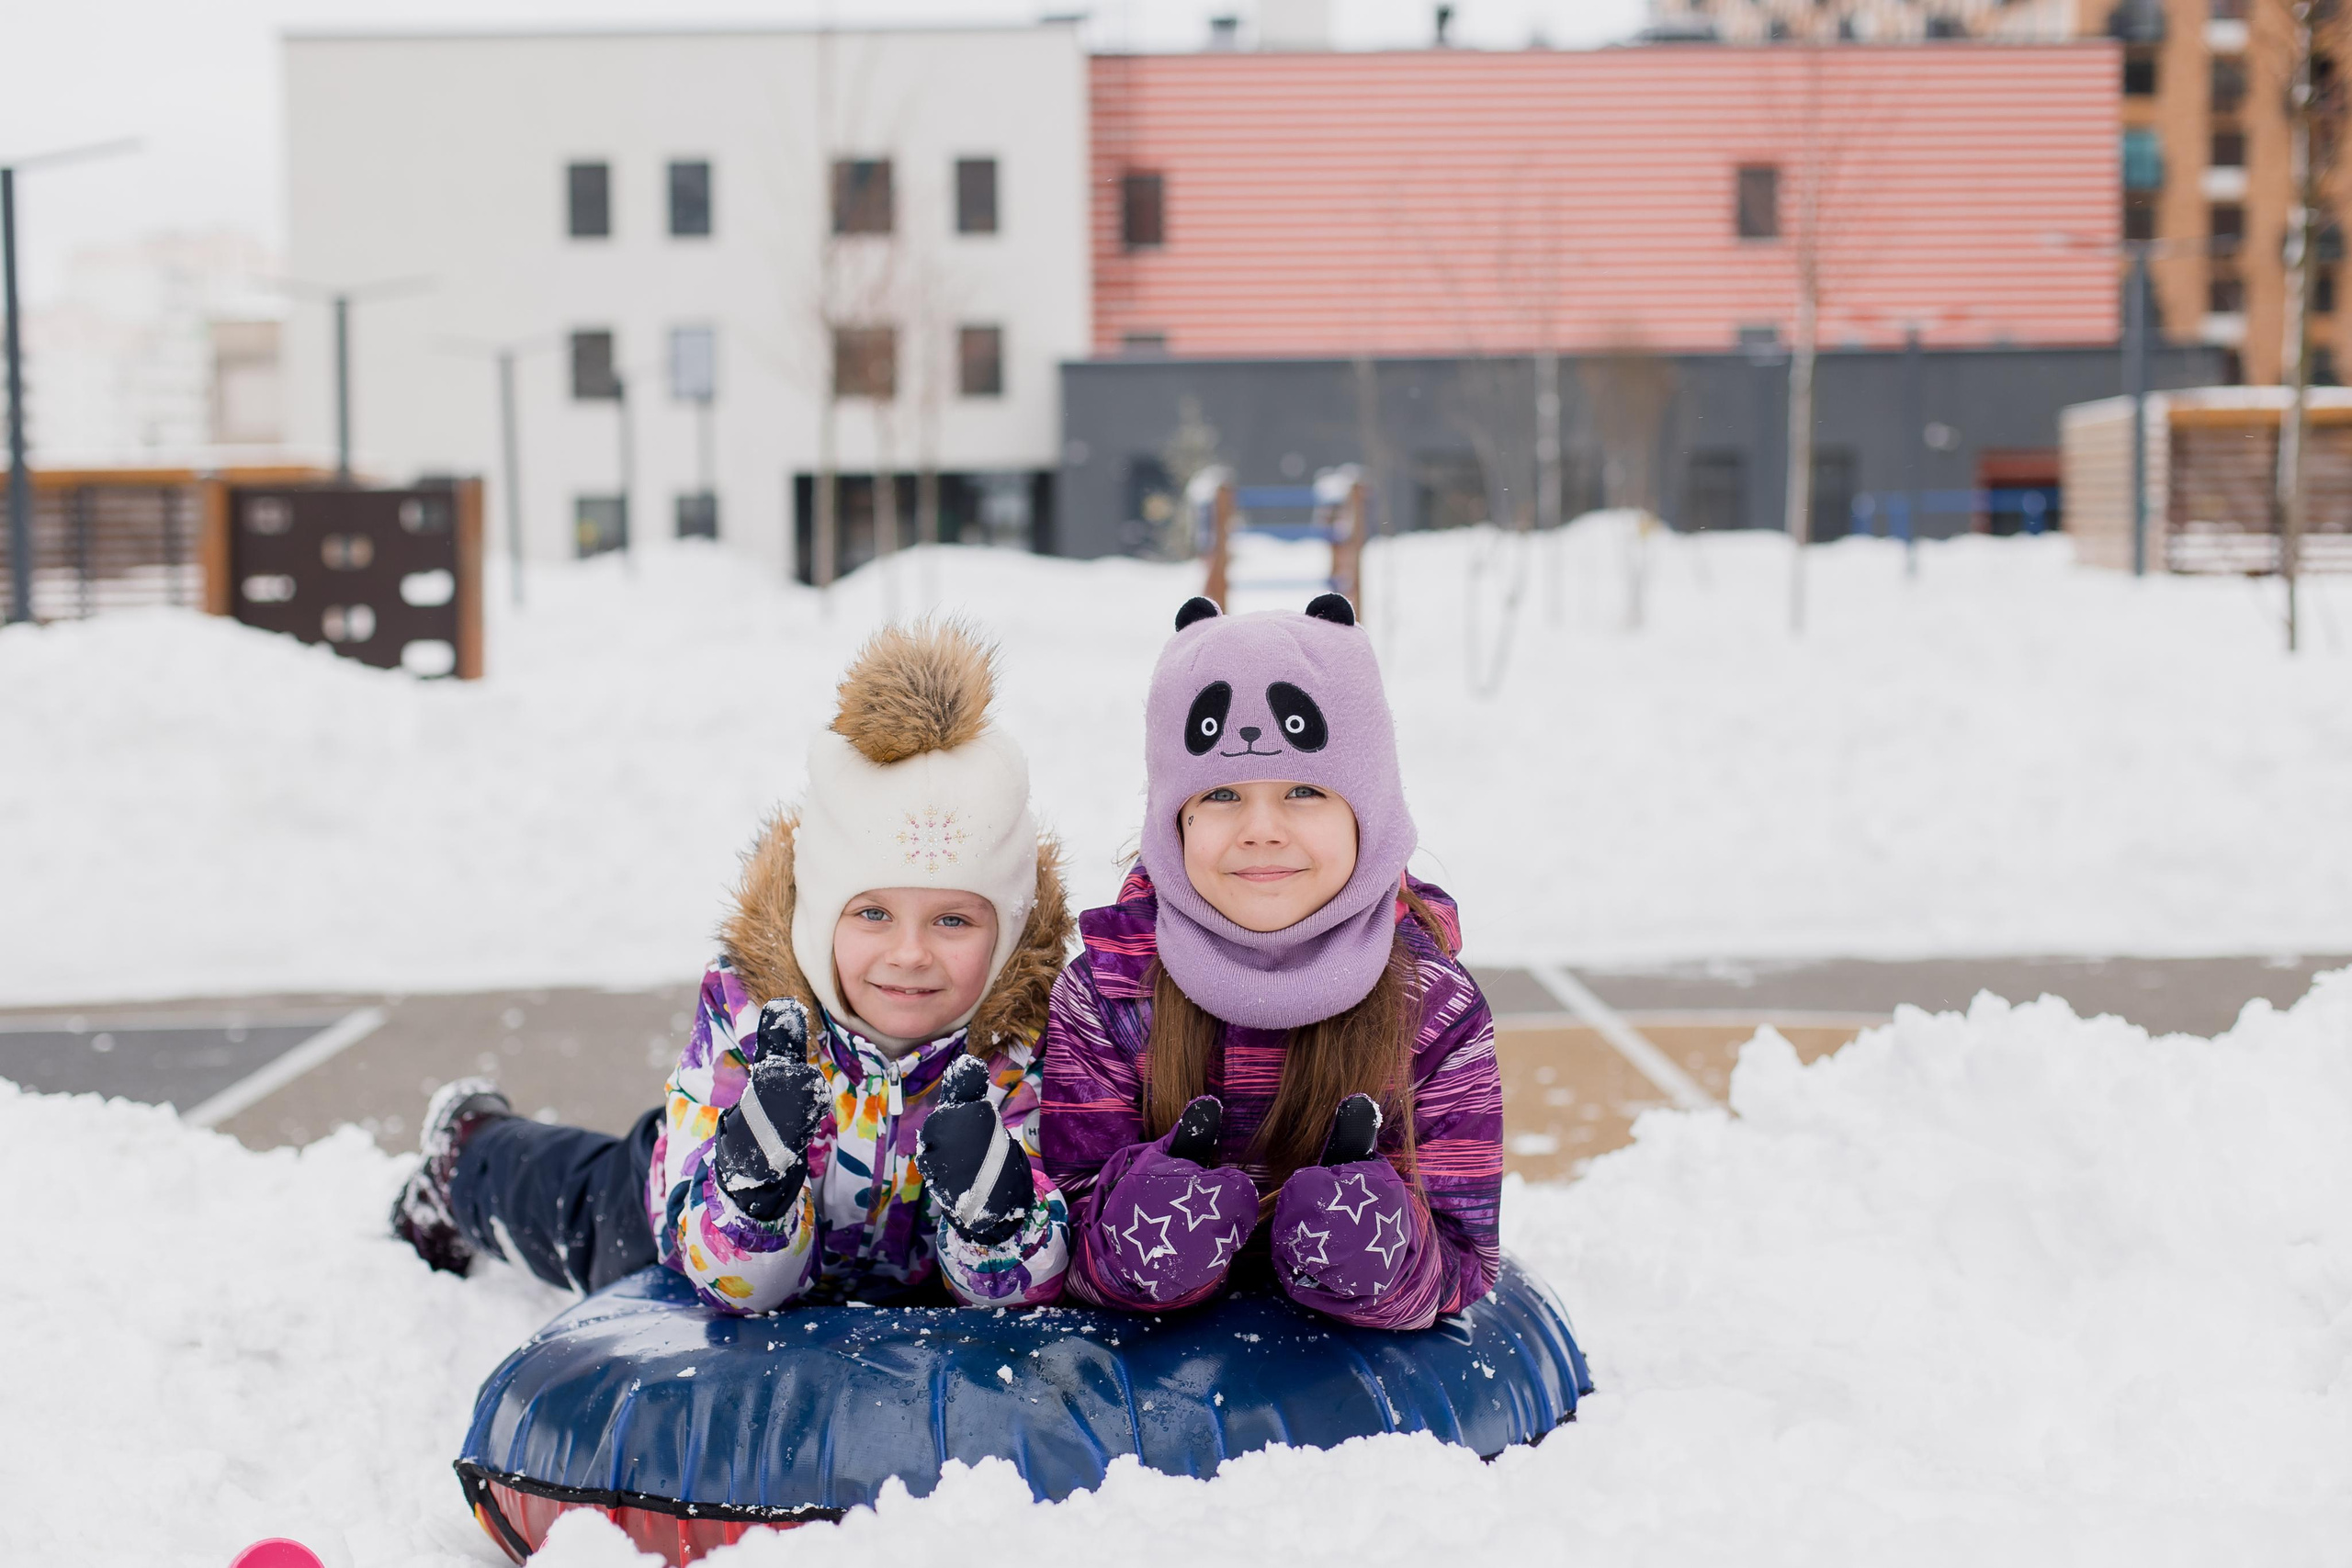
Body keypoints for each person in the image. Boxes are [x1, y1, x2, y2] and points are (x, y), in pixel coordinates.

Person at [389, 622, 1073, 1313]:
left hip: (906, 1279)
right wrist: (751, 1191)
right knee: (571, 1208)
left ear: (1007, 929)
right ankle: (464, 1153)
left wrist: (997, 1226)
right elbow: (731, 1285)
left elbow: (1032, 1288)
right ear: (818, 914)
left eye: (952, 920)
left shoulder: (1020, 1047)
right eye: (872, 914)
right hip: (695, 1213)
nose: (910, 952)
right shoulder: (751, 1011)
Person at [1040, 593, 1503, 1331]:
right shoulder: (1108, 992)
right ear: (1174, 817)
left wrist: (1380, 1255)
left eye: (1304, 791)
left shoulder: (1435, 1004)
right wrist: (1135, 1247)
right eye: (1221, 793)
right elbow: (1058, 1232)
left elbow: (1465, 1260)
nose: (1261, 830)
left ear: (1369, 808)